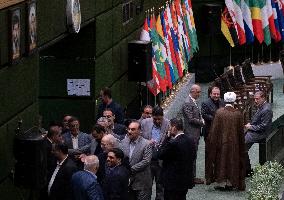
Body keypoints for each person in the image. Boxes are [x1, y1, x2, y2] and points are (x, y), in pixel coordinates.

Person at [206, 92, 246, 191]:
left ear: (224, 101)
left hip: (221, 143)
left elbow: (214, 130)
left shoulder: (219, 112)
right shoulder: (238, 114)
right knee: (232, 162)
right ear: (234, 101)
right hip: (234, 144)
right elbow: (241, 132)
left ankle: (222, 183)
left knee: (221, 162)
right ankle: (231, 182)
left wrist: (212, 142)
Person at [158, 118, 196, 200]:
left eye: (169, 127)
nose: (168, 129)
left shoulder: (173, 143)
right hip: (185, 180)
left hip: (172, 183)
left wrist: (167, 138)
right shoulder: (191, 140)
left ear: (174, 127)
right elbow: (193, 157)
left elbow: (160, 154)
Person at [140, 106, 169, 200]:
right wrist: (147, 142)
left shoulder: (168, 123)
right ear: (152, 116)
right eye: (155, 119)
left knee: (161, 186)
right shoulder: (144, 123)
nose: (157, 121)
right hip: (148, 159)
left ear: (163, 117)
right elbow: (139, 139)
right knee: (146, 186)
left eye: (159, 119)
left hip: (161, 160)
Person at [120, 120, 152, 200]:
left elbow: (146, 161)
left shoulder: (146, 144)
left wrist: (130, 169)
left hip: (142, 182)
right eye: (129, 129)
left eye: (133, 129)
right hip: (127, 182)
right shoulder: (123, 142)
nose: (130, 131)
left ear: (139, 131)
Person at [244, 91, 273, 175]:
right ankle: (247, 170)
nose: (255, 101)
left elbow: (263, 126)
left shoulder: (266, 109)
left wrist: (251, 127)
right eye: (255, 99)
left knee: (242, 144)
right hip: (257, 130)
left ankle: (247, 171)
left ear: (263, 98)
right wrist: (251, 124)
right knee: (242, 146)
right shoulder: (262, 106)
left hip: (261, 133)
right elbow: (257, 120)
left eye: (257, 99)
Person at [182, 84, 204, 184]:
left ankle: (191, 177)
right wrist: (202, 122)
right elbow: (191, 119)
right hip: (191, 133)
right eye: (198, 92)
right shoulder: (187, 102)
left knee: (193, 155)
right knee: (191, 155)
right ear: (193, 91)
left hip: (194, 133)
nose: (199, 94)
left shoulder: (192, 101)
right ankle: (190, 178)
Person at [40, 121, 63, 200]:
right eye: (59, 135)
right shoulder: (47, 147)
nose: (61, 137)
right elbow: (47, 164)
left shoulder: (47, 143)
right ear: (54, 136)